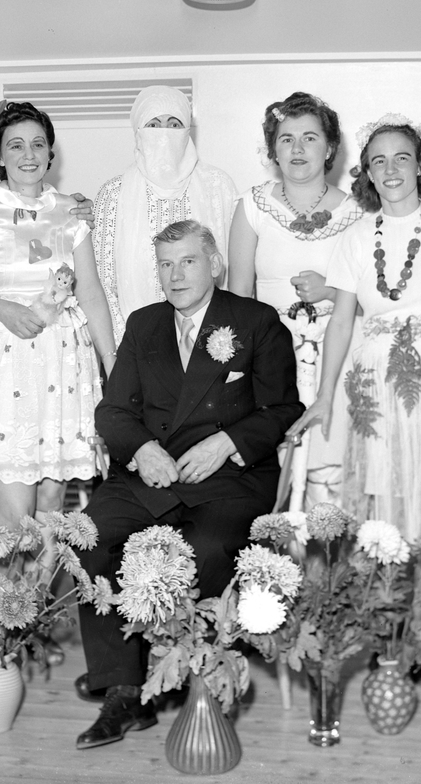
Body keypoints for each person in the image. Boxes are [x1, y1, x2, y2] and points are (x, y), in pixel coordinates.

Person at [74, 219, 303, 750]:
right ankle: (123, 691)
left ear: (215, 264)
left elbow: (283, 408)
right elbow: (113, 411)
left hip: (229, 478)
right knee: (88, 536)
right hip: (152, 474)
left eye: (188, 261)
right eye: (165, 264)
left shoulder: (256, 321)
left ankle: (195, 670)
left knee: (207, 546)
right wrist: (141, 449)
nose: (175, 275)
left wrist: (227, 442)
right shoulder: (145, 324)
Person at [291, 115, 421, 583]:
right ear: (367, 172)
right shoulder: (356, 236)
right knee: (386, 487)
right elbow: (341, 322)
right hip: (377, 379)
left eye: (402, 158)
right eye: (378, 161)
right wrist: (324, 396)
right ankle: (393, 594)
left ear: (420, 166)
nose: (390, 169)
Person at [0, 101, 117, 530]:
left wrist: (111, 361)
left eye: (37, 144)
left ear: (51, 153)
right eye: (15, 145)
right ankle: (11, 579)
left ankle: (45, 579)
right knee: (15, 513)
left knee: (51, 508)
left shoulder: (70, 210)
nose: (28, 155)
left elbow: (90, 292)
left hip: (62, 364)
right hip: (2, 364)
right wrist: (3, 310)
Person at [228, 92, 364, 509]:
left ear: (330, 148)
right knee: (274, 465)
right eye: (286, 139)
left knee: (330, 468)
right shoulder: (252, 206)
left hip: (339, 350)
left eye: (310, 137)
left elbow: (375, 301)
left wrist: (331, 291)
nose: (298, 148)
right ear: (273, 150)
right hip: (272, 353)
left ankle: (328, 543)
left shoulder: (359, 212)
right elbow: (238, 296)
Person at [92, 85, 238, 344]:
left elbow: (235, 273)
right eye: (153, 125)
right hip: (134, 342)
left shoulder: (218, 186)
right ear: (138, 131)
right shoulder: (114, 194)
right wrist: (124, 347)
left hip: (214, 340)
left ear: (187, 130)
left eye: (174, 124)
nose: (164, 134)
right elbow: (102, 282)